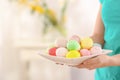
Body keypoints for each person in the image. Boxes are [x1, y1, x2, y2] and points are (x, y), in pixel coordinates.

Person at [74, 0, 120, 80]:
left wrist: (110, 60)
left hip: (107, 62)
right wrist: (80, 45)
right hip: (105, 75)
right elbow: (98, 36)